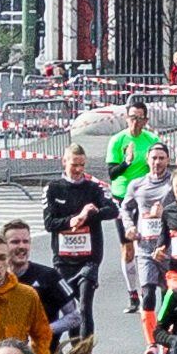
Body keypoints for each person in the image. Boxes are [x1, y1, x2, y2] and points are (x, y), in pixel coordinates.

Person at [44, 143, 121, 339]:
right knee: (67, 310)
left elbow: (113, 210)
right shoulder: (53, 189)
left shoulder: (94, 188)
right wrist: (72, 221)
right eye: (74, 165)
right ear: (64, 162)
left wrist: (90, 214)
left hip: (89, 258)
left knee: (85, 306)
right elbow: (49, 223)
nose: (78, 170)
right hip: (63, 260)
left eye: (82, 165)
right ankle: (61, 352)